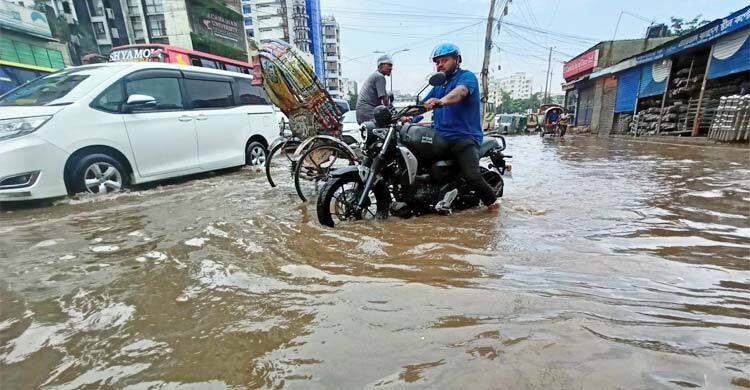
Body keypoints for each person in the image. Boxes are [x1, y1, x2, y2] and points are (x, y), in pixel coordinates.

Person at [423, 43, 501, 211]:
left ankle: (494, 205)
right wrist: (405, 116)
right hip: (441, 136)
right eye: (437, 62)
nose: (440, 64)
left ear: (457, 60)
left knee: (472, 176)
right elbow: (423, 105)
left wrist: (441, 101)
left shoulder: (466, 77)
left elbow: (461, 92)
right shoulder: (439, 85)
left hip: (464, 137)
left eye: (445, 60)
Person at [356, 55, 393, 124]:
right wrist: (391, 113)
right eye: (389, 65)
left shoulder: (374, 75)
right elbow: (384, 99)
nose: (391, 68)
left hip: (362, 114)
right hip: (369, 113)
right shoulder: (379, 76)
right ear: (381, 65)